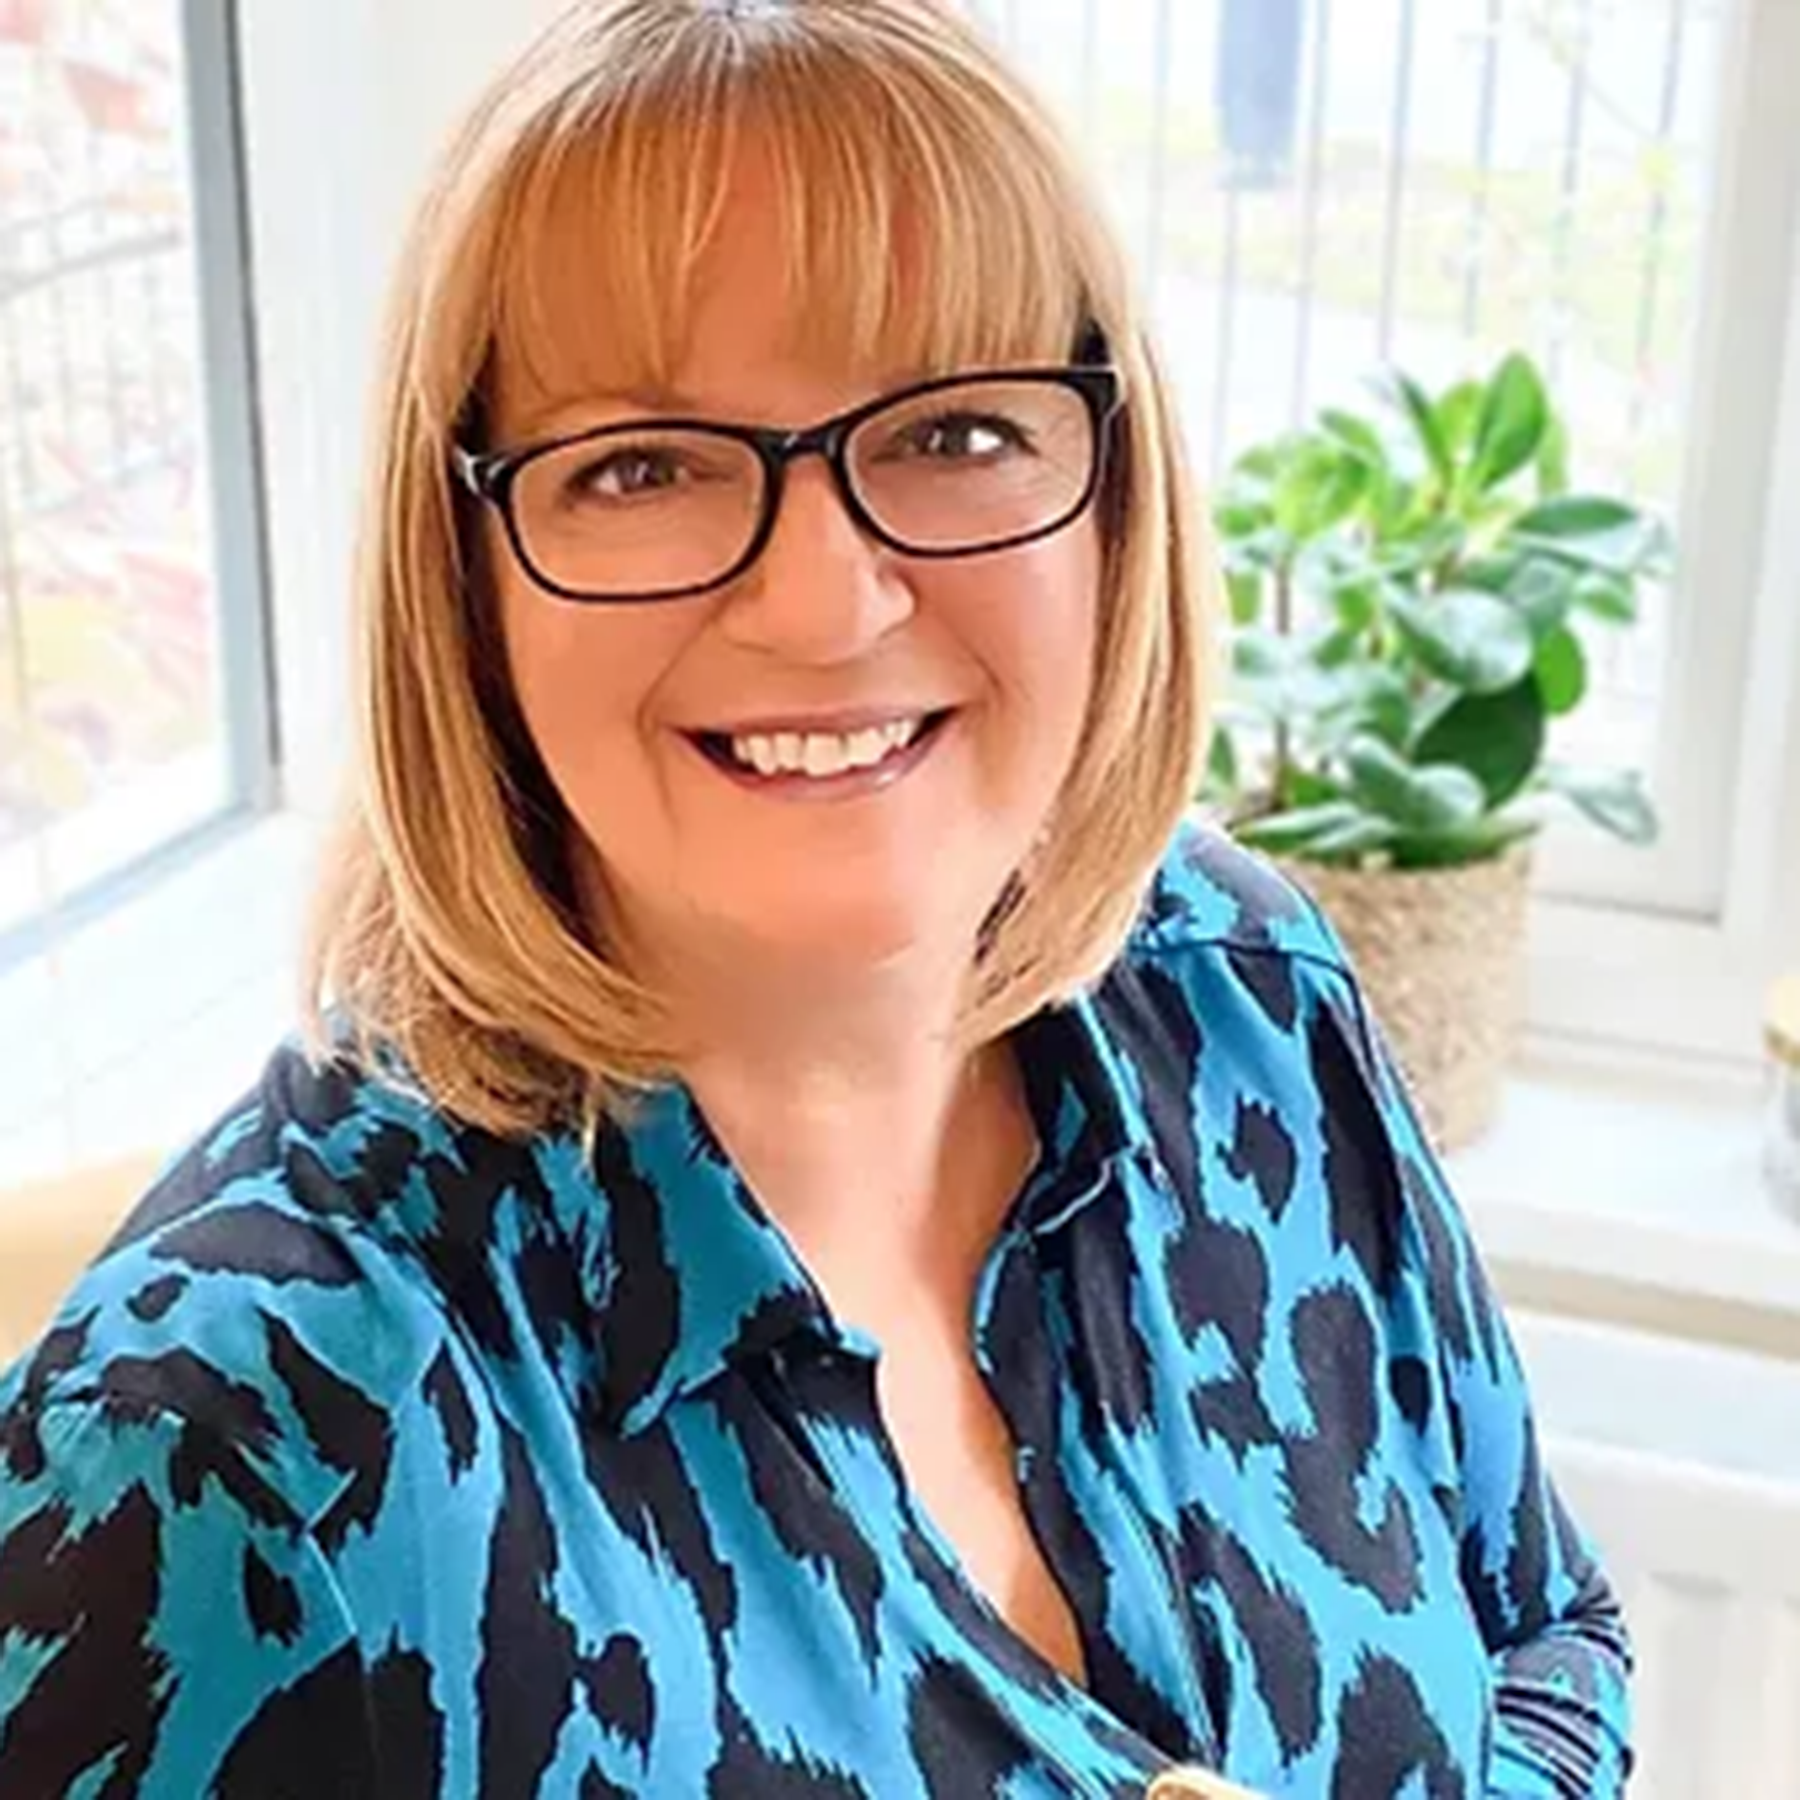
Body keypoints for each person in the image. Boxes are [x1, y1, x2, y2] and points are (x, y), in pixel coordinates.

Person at [0, 2, 1631, 1795]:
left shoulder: (1245, 994)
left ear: (1111, 497)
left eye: (953, 431)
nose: (828, 604)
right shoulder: (237, 1451)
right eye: (641, 466)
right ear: (460, 583)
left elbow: (1548, 1629)